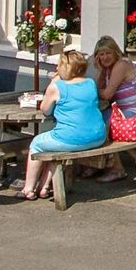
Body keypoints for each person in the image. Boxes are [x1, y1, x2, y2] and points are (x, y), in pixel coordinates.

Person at [23, 48, 110, 198]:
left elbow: (45, 110)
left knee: (37, 144)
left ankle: (28, 188)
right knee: (53, 147)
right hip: (98, 137)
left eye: (58, 65)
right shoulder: (90, 83)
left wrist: (53, 82)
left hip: (72, 139)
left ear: (65, 67)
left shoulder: (57, 87)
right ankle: (43, 188)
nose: (56, 68)